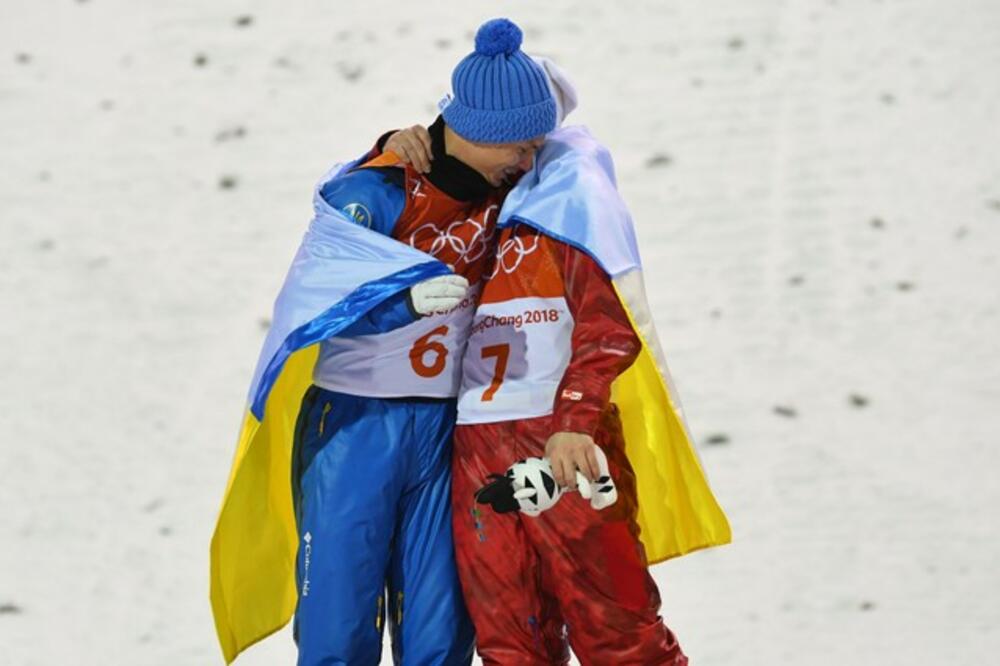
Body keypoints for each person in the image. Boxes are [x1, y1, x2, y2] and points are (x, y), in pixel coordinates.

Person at [209, 18, 557, 666]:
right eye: (521, 144)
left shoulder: (508, 188)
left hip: (444, 430)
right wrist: (397, 302)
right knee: (340, 622)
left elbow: (578, 139)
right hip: (356, 424)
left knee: (439, 631)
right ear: (483, 129)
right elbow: (314, 298)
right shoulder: (378, 188)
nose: (530, 160)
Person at [387, 65, 731, 665]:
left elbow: (609, 322)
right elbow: (379, 220)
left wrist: (577, 416)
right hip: (476, 445)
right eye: (518, 144)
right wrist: (391, 152)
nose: (525, 158)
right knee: (509, 641)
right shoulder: (478, 201)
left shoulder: (572, 198)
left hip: (561, 438)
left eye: (534, 145)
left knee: (616, 630)